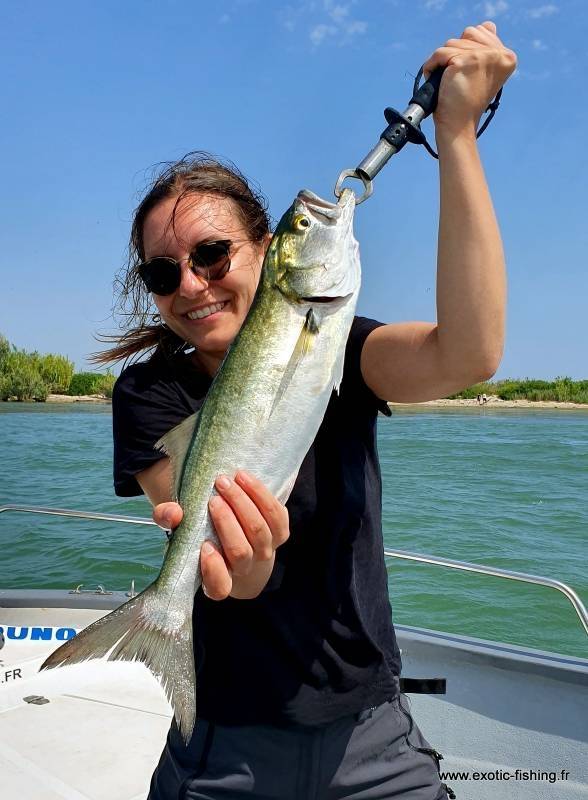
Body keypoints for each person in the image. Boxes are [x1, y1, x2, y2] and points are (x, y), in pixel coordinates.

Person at [102, 21, 516, 800]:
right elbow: (222, 563)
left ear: (264, 249)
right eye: (164, 272)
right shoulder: (146, 393)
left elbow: (470, 355)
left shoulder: (339, 348)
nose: (191, 285)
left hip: (371, 733)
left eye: (213, 255)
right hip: (221, 745)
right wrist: (241, 571)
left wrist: (456, 133)